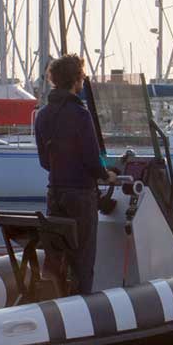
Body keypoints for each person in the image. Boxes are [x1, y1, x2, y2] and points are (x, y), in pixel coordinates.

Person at [34, 54, 117, 293]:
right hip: (81, 196)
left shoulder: (42, 115)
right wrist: (106, 175)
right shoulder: (81, 115)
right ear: (76, 80)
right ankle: (83, 311)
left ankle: (53, 305)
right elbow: (92, 160)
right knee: (83, 258)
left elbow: (44, 161)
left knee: (56, 256)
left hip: (55, 194)